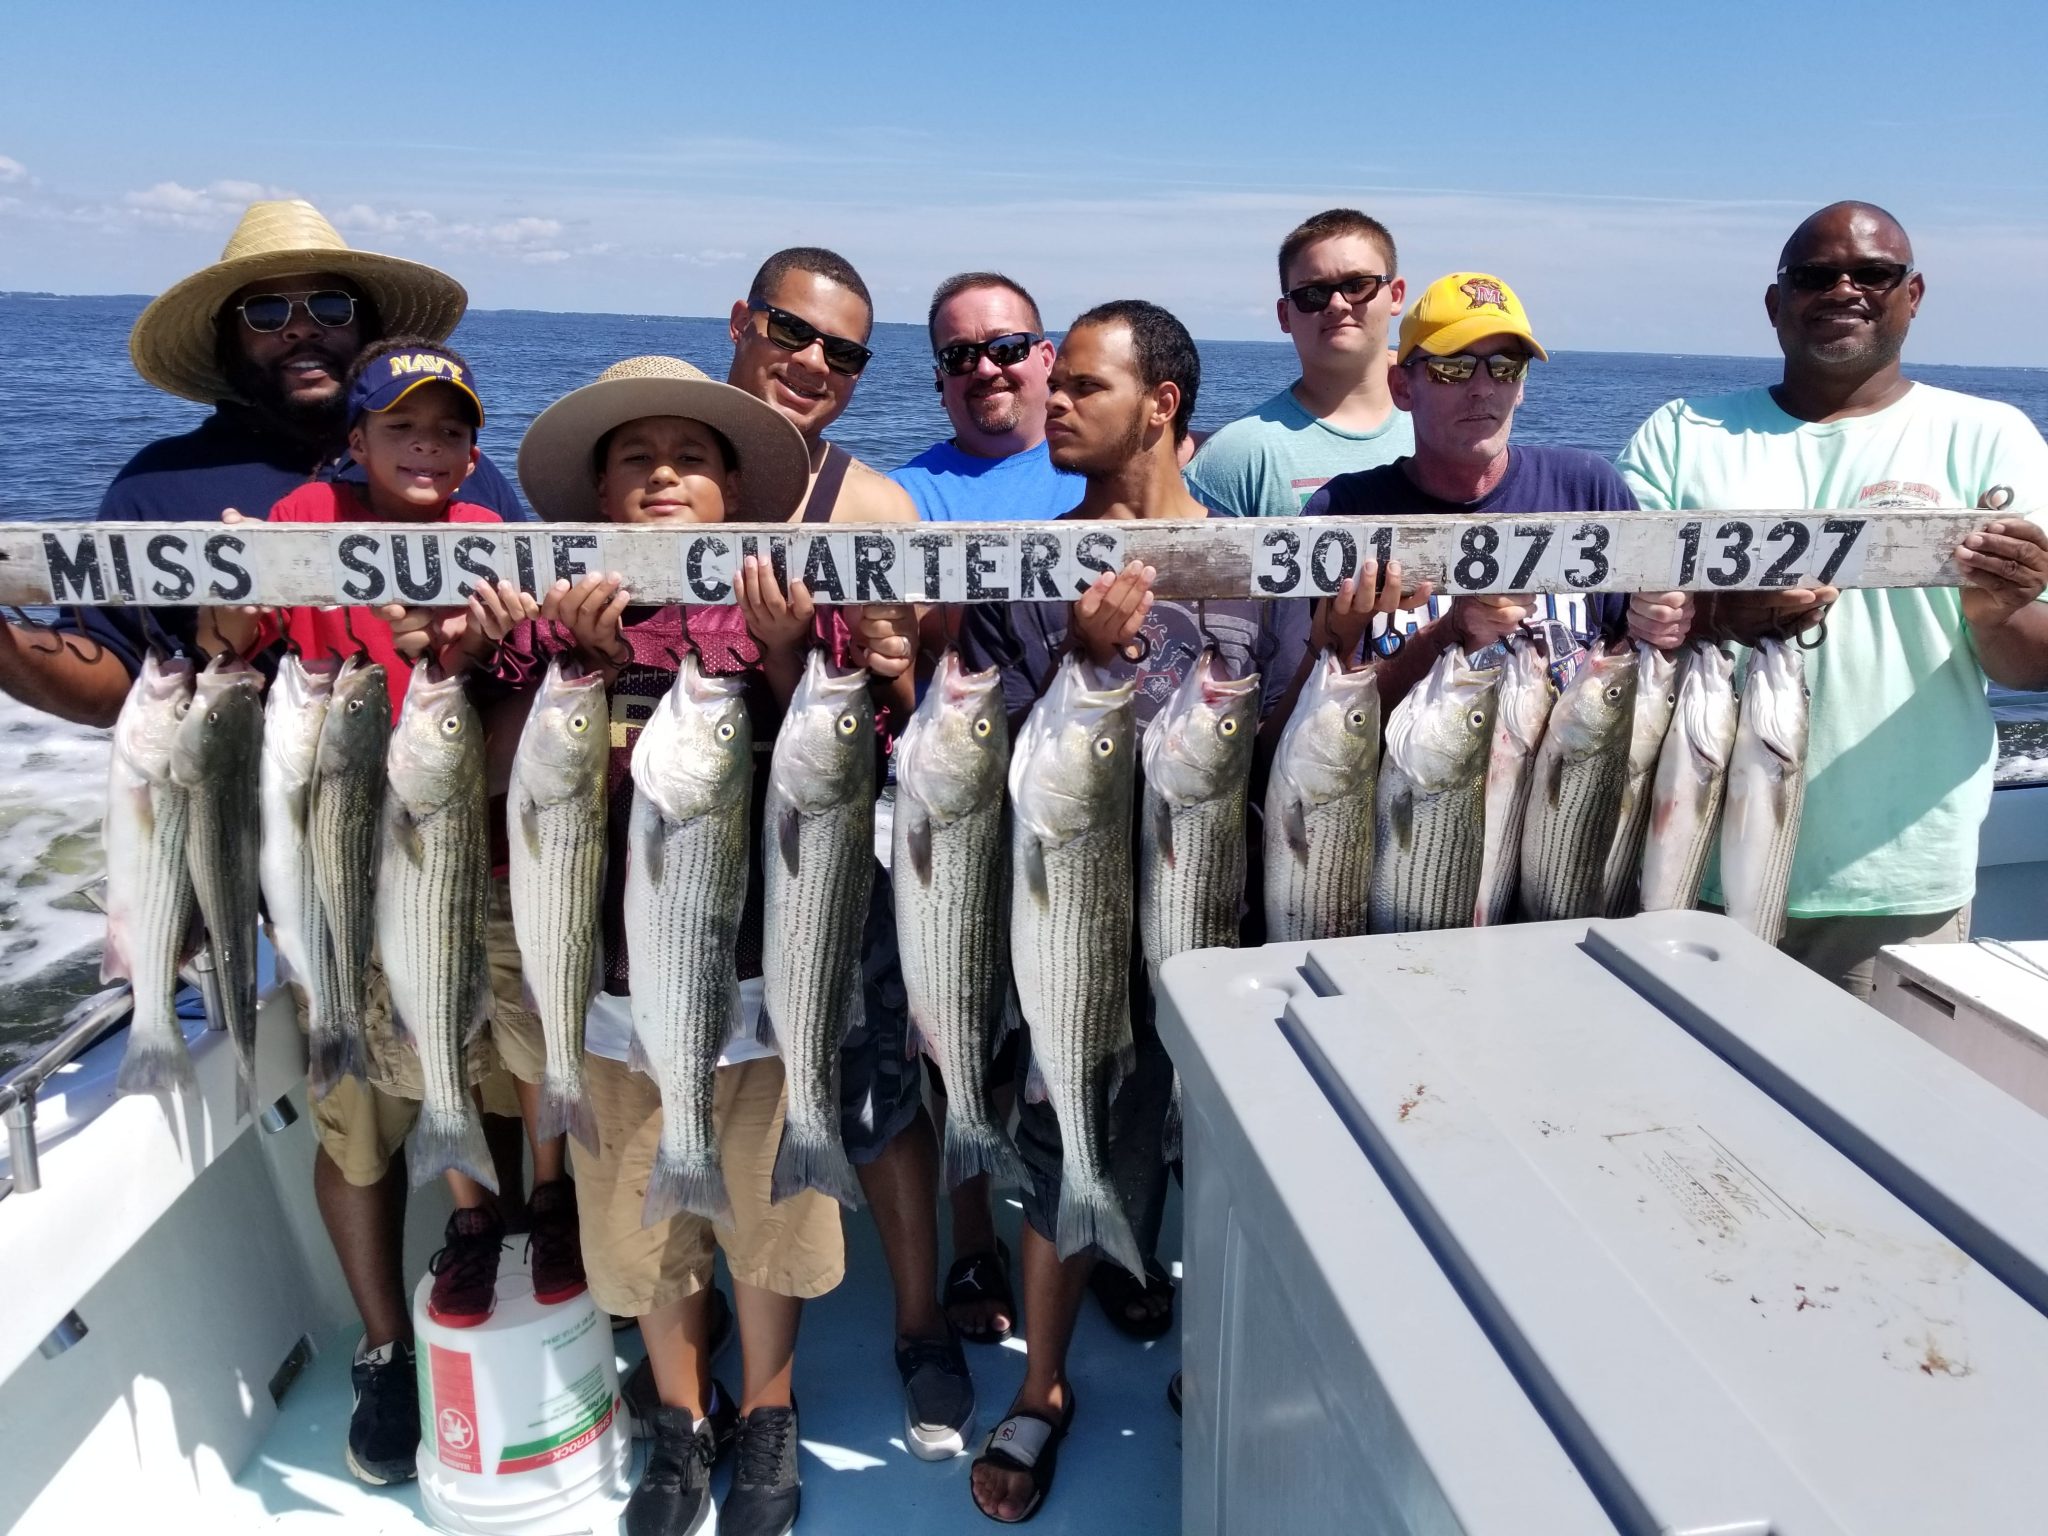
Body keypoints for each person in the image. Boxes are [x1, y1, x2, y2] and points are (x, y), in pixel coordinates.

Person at [489, 354, 916, 1536]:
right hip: (613, 991)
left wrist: (788, 657)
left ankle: (768, 1404)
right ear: (599, 489)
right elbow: (493, 778)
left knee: (768, 1216)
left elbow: (856, 752)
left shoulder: (787, 606)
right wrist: (556, 661)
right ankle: (680, 1414)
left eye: (689, 457)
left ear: (735, 488)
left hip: (764, 985)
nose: (663, 475)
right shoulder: (557, 609)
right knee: (642, 1216)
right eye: (635, 458)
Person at [957, 300, 1308, 1523]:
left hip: (1217, 917)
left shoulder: (1259, 563)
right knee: (1065, 1151)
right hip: (1076, 929)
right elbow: (985, 758)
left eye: (1082, 389)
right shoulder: (1026, 569)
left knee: (1224, 1156)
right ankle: (1040, 1389)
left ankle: (1213, 1361)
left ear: (1160, 403)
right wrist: (1079, 665)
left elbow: (1303, 735)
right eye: (1054, 386)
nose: (1049, 405)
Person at [1617, 201, 2048, 996]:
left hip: (1896, 882)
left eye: (1874, 274)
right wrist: (1719, 615)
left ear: (1912, 295)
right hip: (1686, 865)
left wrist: (2000, 606)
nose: (1844, 288)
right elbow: (1611, 620)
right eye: (1815, 275)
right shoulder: (1682, 431)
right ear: (1776, 303)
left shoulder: (1992, 438)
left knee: (1873, 1112)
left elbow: (2029, 665)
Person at [0, 198, 523, 729]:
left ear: (369, 332)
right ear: (228, 342)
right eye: (267, 313)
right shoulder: (157, 483)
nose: (301, 329)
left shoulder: (467, 481)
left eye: (331, 307)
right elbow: (109, 683)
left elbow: (533, 652)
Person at [1301, 270, 1640, 713]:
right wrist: (1446, 635)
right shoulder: (1343, 512)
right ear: (1403, 387)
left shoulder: (1591, 490)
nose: (1483, 389)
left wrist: (1670, 625)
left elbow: (1639, 655)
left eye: (1505, 367)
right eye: (1452, 368)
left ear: (1521, 387)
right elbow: (1318, 726)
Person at [1183, 208, 1414, 520]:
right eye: (1313, 294)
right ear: (1284, 315)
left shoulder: (1445, 431)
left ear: (1396, 295)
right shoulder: (1239, 456)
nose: (1337, 304)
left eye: (1358, 285)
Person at [725, 246, 917, 525]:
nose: (815, 362)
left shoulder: (881, 514)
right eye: (791, 330)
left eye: (843, 353)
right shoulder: (651, 467)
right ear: (741, 323)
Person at [891, 271, 1082, 523]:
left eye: (1007, 348)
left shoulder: (1114, 472)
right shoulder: (896, 500)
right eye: (959, 356)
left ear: (1047, 359)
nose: (985, 369)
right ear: (940, 379)